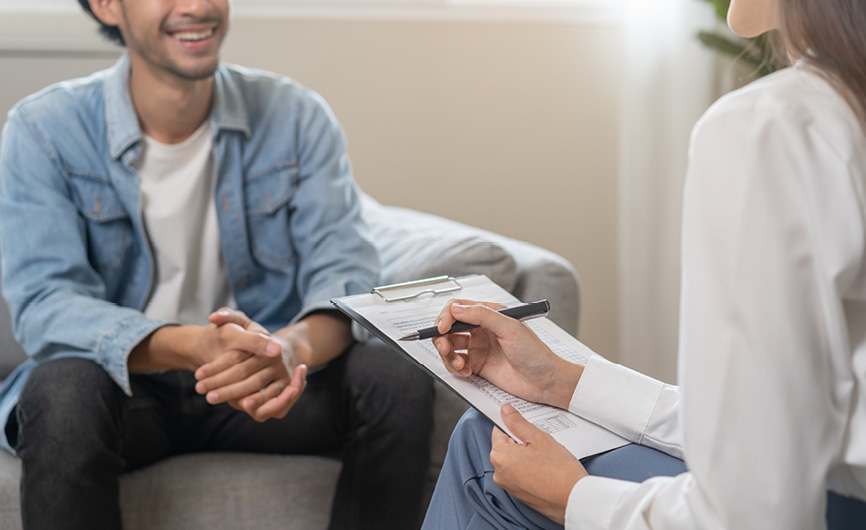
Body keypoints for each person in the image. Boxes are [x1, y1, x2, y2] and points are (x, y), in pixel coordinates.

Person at [421, 0, 866, 528]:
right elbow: (793, 424)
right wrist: (562, 383)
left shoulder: (775, 127)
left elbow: (757, 513)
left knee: (483, 444)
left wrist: (576, 500)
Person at [0, 1, 434, 529]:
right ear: (108, 6)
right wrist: (192, 346)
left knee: (394, 376)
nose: (197, 5)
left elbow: (345, 273)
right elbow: (46, 303)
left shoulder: (297, 116)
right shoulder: (43, 130)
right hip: (131, 391)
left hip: (267, 380)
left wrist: (286, 348)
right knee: (61, 389)